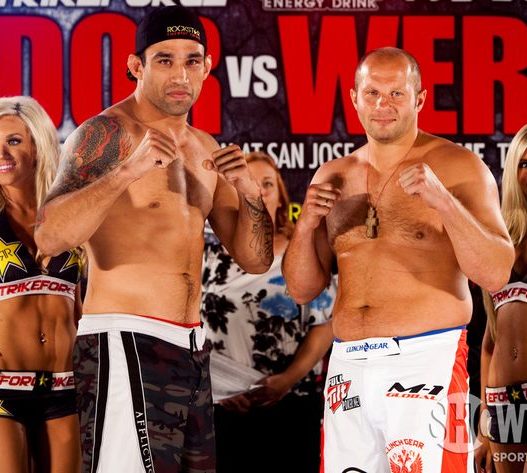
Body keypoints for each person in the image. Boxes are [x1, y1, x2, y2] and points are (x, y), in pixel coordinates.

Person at [34, 6, 273, 473]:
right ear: (136, 66)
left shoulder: (205, 147)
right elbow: (50, 236)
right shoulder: (105, 133)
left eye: (191, 60)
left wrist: (250, 194)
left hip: (191, 348)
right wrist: (127, 172)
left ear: (207, 67)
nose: (180, 74)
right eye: (164, 60)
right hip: (125, 341)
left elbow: (255, 259)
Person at [282, 47, 514, 473]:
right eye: (372, 93)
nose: (382, 105)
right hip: (348, 366)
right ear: (354, 98)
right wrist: (306, 225)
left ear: (419, 99)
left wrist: (444, 203)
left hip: (426, 359)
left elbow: (496, 272)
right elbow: (301, 289)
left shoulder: (459, 166)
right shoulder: (332, 175)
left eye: (396, 94)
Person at [202, 151, 335, 473]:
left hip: (290, 401)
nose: (259, 190)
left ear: (280, 196)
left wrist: (287, 380)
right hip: (220, 404)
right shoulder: (206, 255)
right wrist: (214, 387)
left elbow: (326, 323)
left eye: (267, 184)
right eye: (249, 182)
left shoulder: (303, 250)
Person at [0, 96, 82, 472]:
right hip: (4, 391)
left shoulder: (71, 213)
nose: (2, 153)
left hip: (64, 388)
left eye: (14, 141)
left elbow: (83, 306)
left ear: (38, 145)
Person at [475, 124, 527, 473]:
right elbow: (489, 340)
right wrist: (483, 425)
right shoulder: (502, 237)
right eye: (525, 163)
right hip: (503, 398)